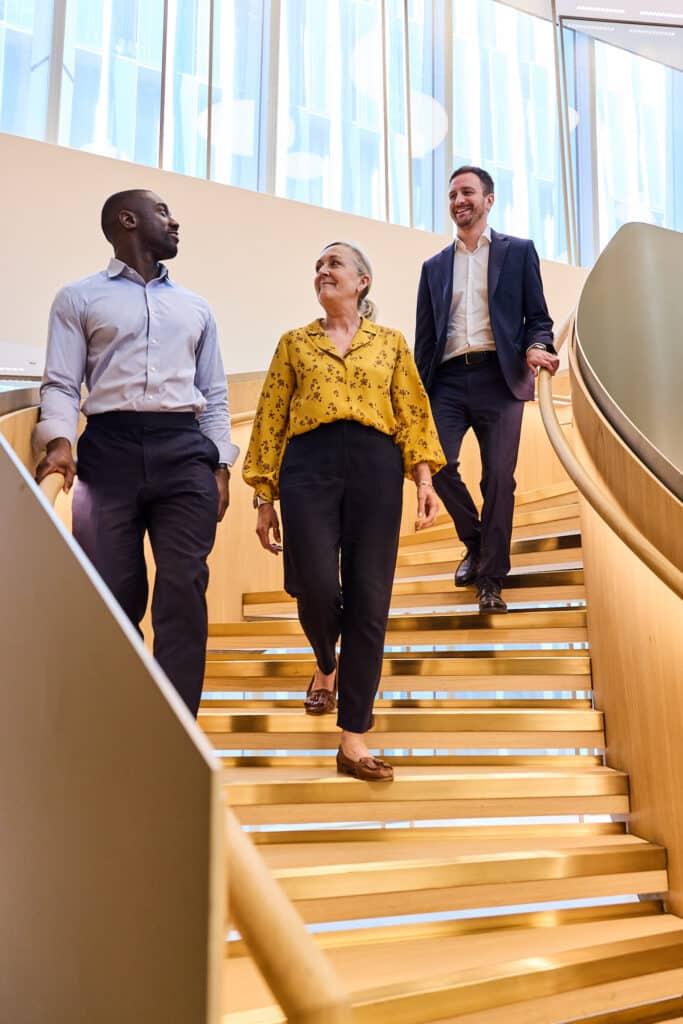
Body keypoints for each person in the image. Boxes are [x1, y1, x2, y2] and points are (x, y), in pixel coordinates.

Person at [243, 242, 445, 782]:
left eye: (334, 264)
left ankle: (353, 738)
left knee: (369, 599)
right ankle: (326, 664)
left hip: (376, 467)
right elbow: (269, 418)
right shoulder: (294, 343)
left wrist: (424, 477)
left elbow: (413, 412)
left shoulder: (391, 343)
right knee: (313, 585)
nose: (323, 271)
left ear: (362, 281)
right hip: (307, 464)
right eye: (317, 266)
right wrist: (265, 498)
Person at [33, 189, 238, 717]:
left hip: (184, 451)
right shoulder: (78, 298)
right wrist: (58, 441)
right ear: (128, 220)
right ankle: (117, 729)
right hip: (108, 452)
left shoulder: (196, 307)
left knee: (183, 589)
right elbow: (60, 383)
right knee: (113, 598)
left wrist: (220, 465)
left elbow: (214, 396)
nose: (175, 221)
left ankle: (175, 732)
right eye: (163, 212)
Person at [414, 166, 559, 613]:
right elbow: (424, 337)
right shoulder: (434, 266)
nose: (459, 200)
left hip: (500, 378)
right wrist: (414, 398)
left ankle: (491, 580)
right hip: (448, 380)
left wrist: (537, 347)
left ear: (488, 200)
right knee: (436, 463)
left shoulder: (519, 252)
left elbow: (539, 318)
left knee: (499, 478)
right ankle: (476, 543)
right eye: (453, 193)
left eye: (468, 192)